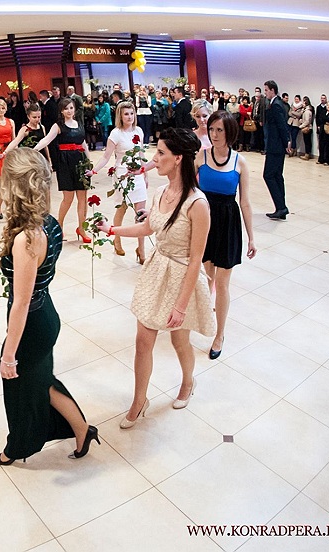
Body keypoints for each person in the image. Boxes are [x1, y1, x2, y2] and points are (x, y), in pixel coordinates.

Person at [97, 128, 214, 427]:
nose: (154, 158)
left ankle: (188, 381)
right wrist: (112, 230)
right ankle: (139, 400)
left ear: (178, 158)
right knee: (143, 341)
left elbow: (196, 260)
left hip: (182, 278)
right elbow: (148, 228)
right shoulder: (161, 193)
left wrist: (181, 306)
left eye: (161, 153)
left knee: (179, 340)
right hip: (156, 271)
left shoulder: (198, 204)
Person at [0, 148, 98, 465]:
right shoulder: (50, 223)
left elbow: (22, 302)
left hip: (33, 322)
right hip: (46, 313)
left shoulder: (27, 238)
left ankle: (16, 448)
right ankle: (82, 429)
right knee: (42, 381)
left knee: (20, 388)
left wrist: (9, 354)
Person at [197, 111, 256, 360]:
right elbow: (186, 188)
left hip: (228, 223)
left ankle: (219, 334)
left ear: (229, 132)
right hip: (204, 220)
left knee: (222, 282)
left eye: (219, 130)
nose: (214, 134)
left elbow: (245, 202)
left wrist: (251, 237)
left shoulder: (240, 162)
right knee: (207, 274)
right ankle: (203, 316)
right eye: (211, 129)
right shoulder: (201, 156)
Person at [88, 100, 149, 263]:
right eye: (126, 114)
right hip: (122, 174)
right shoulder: (115, 134)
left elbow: (141, 154)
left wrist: (145, 174)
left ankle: (141, 250)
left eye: (132, 113)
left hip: (138, 174)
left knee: (141, 213)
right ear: (120, 116)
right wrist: (94, 170)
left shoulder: (139, 130)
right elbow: (106, 156)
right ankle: (117, 239)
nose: (130, 117)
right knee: (122, 208)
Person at [30, 97, 91, 242]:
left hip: (81, 161)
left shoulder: (79, 123)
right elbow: (46, 140)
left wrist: (89, 162)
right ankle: (59, 225)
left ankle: (82, 228)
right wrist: (33, 150)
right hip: (65, 163)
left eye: (71, 108)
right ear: (61, 111)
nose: (69, 111)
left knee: (83, 198)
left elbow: (83, 143)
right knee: (68, 198)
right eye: (66, 108)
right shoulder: (58, 126)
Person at [262, 80, 291, 220]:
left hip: (275, 146)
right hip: (277, 145)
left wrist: (286, 143)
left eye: (266, 90)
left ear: (272, 90)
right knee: (277, 176)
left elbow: (281, 125)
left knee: (268, 175)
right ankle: (281, 207)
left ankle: (281, 207)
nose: (265, 93)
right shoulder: (276, 103)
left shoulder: (276, 105)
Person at [298, 96, 314, 160]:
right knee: (308, 142)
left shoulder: (307, 111)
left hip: (307, 128)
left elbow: (307, 121)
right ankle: (308, 154)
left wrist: (301, 126)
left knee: (307, 142)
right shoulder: (306, 110)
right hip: (308, 127)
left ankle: (307, 155)